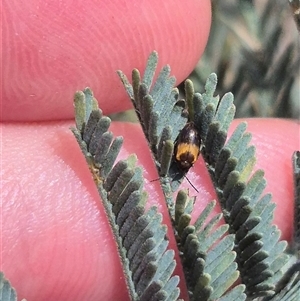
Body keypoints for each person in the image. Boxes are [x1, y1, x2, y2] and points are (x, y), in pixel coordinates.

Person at [1, 1, 299, 300]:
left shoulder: (185, 156)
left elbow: (188, 142)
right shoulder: (186, 157)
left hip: (189, 137)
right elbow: (189, 142)